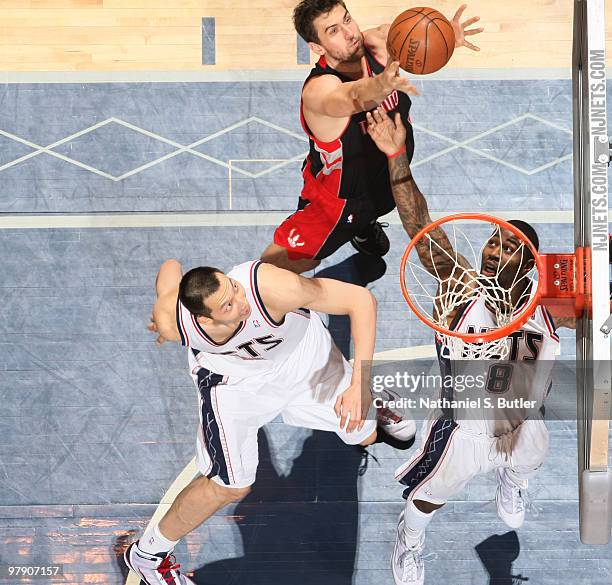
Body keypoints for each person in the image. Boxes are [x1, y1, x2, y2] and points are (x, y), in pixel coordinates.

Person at [365, 106, 575, 585]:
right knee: (427, 496)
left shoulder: (549, 307)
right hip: (465, 425)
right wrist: (397, 155)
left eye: (507, 247)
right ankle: (409, 542)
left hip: (521, 422)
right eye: (492, 241)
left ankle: (512, 480)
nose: (491, 250)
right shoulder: (460, 286)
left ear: (528, 264)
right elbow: (420, 228)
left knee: (533, 454)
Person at [124, 258, 415, 585]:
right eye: (229, 305)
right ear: (204, 317)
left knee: (360, 431)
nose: (242, 303)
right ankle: (148, 554)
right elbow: (169, 269)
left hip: (303, 359)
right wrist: (159, 311)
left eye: (234, 289)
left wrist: (359, 384)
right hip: (235, 384)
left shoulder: (273, 289)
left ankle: (375, 400)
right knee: (229, 485)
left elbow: (360, 301)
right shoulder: (173, 322)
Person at [260, 0, 483, 273]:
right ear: (317, 47)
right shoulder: (319, 91)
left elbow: (416, 35)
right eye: (333, 31)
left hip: (391, 172)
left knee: (405, 214)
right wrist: (382, 84)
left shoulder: (378, 43)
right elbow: (354, 96)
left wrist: (444, 37)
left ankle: (364, 228)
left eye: (347, 19)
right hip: (341, 202)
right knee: (277, 267)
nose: (350, 32)